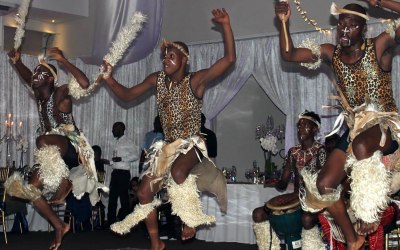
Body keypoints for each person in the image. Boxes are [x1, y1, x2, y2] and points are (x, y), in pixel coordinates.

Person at [100, 8, 235, 250]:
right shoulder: (156, 80)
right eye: (164, 56)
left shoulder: (195, 81)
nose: (165, 59)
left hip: (193, 142)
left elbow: (228, 61)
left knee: (178, 173)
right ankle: (156, 243)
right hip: (168, 145)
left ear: (185, 59)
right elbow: (128, 94)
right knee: (143, 194)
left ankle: (190, 219)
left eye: (171, 55)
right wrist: (110, 79)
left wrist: (225, 25)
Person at [275, 1, 400, 249]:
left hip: (384, 124)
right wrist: (283, 23)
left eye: (351, 26)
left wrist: (381, 3)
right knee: (323, 187)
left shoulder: (379, 46)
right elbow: (289, 55)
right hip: (356, 128)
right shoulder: (331, 54)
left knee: (363, 145)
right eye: (341, 24)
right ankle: (352, 239)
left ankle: (368, 214)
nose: (343, 30)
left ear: (363, 29)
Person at [6, 47, 103, 250]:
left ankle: (64, 183)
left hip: (73, 151)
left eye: (40, 74)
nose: (34, 77)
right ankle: (59, 226)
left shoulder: (60, 93)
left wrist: (64, 61)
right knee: (32, 190)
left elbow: (85, 84)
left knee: (42, 140)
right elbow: (27, 77)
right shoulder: (40, 97)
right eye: (35, 74)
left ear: (50, 79)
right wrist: (17, 63)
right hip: (54, 156)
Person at [252, 111, 327, 250]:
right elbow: (283, 184)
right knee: (258, 214)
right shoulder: (293, 152)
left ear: (315, 129)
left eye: (305, 125)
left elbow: (324, 184)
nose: (300, 129)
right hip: (296, 200)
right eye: (299, 126)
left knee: (307, 219)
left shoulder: (321, 151)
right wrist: (273, 181)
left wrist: (307, 197)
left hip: (315, 201)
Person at [107, 122, 140, 225]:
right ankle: (111, 222)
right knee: (112, 198)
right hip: (115, 173)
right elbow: (117, 160)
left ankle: (126, 223)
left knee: (123, 199)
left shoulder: (128, 142)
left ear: (121, 129)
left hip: (123, 174)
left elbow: (136, 155)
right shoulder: (115, 141)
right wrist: (110, 162)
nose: (112, 131)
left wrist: (122, 159)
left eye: (114, 129)